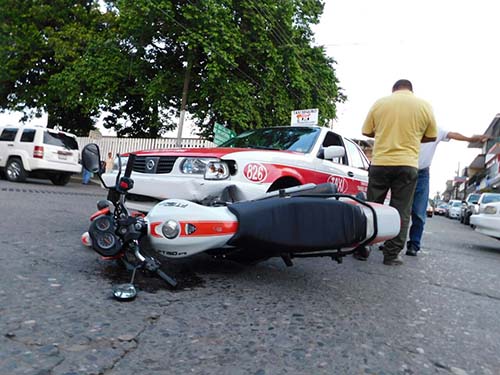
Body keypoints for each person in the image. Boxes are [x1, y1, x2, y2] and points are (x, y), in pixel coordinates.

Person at [354, 79, 438, 265]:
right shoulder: (424, 106)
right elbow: (431, 135)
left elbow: (366, 131)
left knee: (372, 206)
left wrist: (385, 131)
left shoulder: (380, 103)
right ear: (410, 89)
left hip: (381, 162)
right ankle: (391, 255)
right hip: (407, 164)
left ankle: (363, 248)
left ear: (394, 90)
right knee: (401, 210)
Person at [405, 129, 489, 256]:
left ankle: (414, 244)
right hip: (403, 169)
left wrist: (470, 139)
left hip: (422, 173)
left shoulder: (435, 128)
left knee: (419, 211)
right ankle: (391, 242)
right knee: (399, 208)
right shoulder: (409, 124)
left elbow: (453, 134)